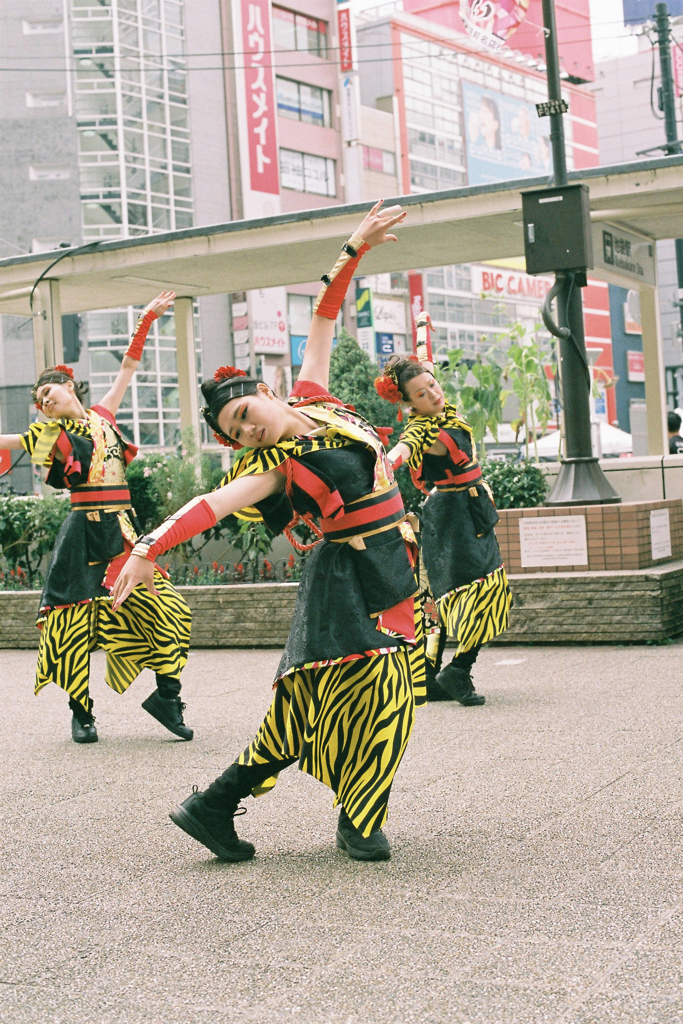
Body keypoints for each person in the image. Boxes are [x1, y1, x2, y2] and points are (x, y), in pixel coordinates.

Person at [112, 201, 424, 863]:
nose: (246, 429)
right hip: (345, 583)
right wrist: (145, 548)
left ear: (270, 392)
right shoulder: (273, 469)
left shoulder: (319, 400)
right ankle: (357, 822)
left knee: (313, 713)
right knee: (379, 700)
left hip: (388, 566)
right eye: (234, 432)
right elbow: (210, 504)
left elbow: (322, 315)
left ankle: (214, 805)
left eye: (247, 413)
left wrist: (353, 250)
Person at [0, 292, 193, 744]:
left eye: (49, 392)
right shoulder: (48, 434)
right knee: (72, 622)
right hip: (82, 533)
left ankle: (167, 696)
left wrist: (145, 319)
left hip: (124, 531)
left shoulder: (103, 415)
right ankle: (81, 712)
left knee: (167, 608)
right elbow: (7, 441)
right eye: (39, 401)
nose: (44, 403)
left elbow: (128, 367)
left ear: (71, 387)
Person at [375, 353, 511, 705]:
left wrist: (422, 332)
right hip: (456, 518)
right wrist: (387, 462)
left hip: (457, 511)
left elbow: (425, 375)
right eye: (420, 394)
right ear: (408, 405)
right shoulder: (422, 429)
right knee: (484, 589)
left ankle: (430, 676)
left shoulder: (438, 412)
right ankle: (459, 669)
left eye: (432, 385)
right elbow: (407, 447)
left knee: (442, 596)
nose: (433, 394)